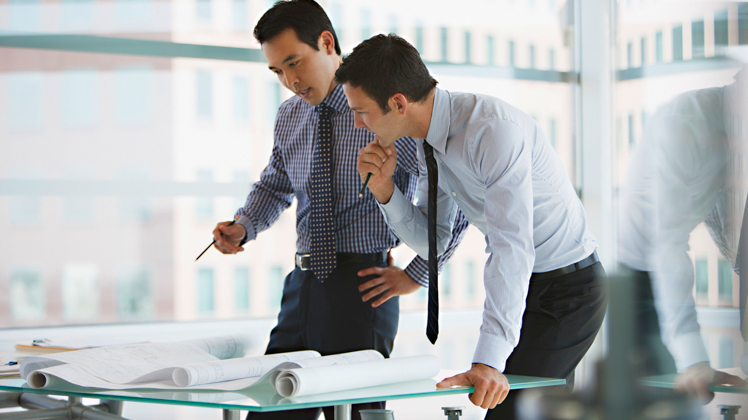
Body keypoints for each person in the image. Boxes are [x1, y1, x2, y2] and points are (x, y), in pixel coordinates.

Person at [209, 2, 468, 419]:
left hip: (361, 287)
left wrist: (416, 275)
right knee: (272, 407)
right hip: (301, 285)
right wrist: (243, 227)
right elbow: (275, 184)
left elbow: (452, 199)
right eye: (277, 71)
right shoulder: (289, 116)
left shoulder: (381, 111)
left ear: (327, 43)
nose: (290, 80)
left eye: (294, 62)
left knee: (357, 413)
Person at [336, 34, 607, 420]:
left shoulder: (491, 131)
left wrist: (487, 362)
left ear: (398, 103)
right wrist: (385, 191)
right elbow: (434, 242)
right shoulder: (426, 143)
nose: (357, 123)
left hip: (569, 289)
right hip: (525, 286)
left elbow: (511, 245)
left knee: (513, 413)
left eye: (361, 111)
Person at [618, 71, 747, 401]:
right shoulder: (686, 121)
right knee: (659, 402)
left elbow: (721, 213)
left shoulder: (734, 132)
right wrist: (693, 359)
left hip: (664, 271)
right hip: (635, 276)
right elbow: (667, 242)